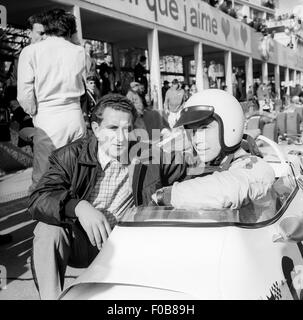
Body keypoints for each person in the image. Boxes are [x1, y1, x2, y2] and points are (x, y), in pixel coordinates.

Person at [29, 93, 187, 299]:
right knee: (47, 230)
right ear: (96, 129)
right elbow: (39, 198)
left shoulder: (148, 155)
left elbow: (185, 170)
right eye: (112, 128)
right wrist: (78, 207)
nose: (121, 138)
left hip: (126, 246)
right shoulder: (70, 155)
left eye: (127, 129)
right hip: (81, 242)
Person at [152, 89, 275, 211]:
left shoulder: (256, 166)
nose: (196, 139)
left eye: (205, 128)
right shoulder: (209, 162)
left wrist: (166, 195)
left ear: (230, 125)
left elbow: (230, 191)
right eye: (193, 131)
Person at [17, 9, 87, 191]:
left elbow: (24, 94)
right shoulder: (79, 51)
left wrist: (35, 112)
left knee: (44, 175)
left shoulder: (31, 51)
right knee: (75, 171)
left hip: (48, 117)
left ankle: (46, 215)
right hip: (75, 115)